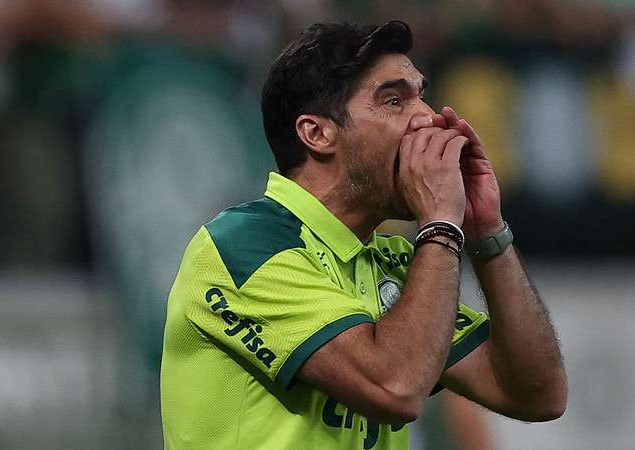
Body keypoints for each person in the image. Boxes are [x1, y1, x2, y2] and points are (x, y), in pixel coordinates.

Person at [160, 20, 567, 450]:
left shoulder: (392, 261)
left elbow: (538, 393)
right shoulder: (244, 247)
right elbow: (393, 387)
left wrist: (488, 233)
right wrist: (441, 227)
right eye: (393, 100)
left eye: (421, 96)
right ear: (317, 133)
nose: (428, 118)